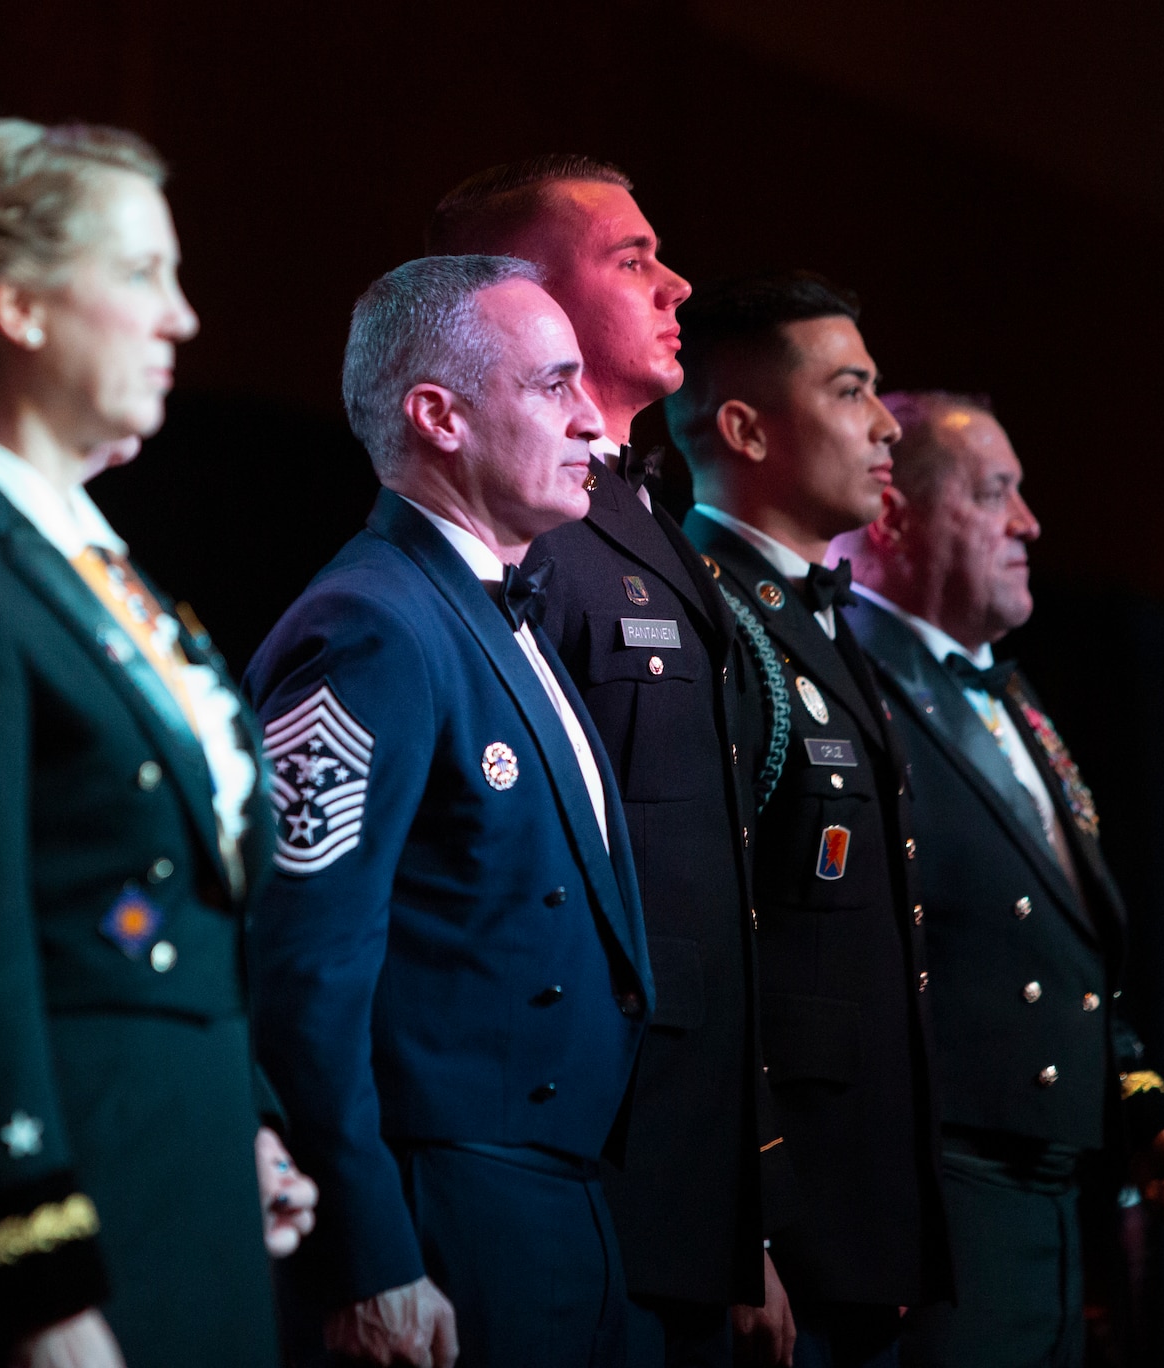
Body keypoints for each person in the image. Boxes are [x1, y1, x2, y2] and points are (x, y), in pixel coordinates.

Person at [0, 118, 314, 1368]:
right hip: (81, 1190)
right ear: (20, 308)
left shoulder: (84, 558)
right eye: (142, 274)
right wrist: (35, 1264)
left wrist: (247, 1119)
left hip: (187, 1161)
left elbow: (184, 898)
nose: (183, 320)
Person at [244, 254, 652, 1368]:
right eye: (552, 386)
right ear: (438, 415)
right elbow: (300, 970)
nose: (594, 426)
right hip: (443, 1209)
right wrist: (366, 1251)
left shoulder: (499, 606)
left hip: (567, 1201)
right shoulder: (369, 623)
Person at [431, 157, 789, 1366]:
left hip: (680, 1178)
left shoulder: (637, 521)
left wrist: (744, 1223)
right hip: (584, 1160)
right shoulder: (525, 534)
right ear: (523, 294)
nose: (675, 282)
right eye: (630, 259)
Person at [831, 392, 1164, 1368]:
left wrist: (1142, 1111)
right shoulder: (843, 679)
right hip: (930, 1201)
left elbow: (1065, 946)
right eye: (995, 493)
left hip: (1058, 1201)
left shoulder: (1007, 691)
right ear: (891, 516)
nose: (1029, 524)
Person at [670, 271, 952, 1367]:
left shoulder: (813, 621)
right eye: (849, 391)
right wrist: (746, 1215)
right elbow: (709, 945)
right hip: (788, 1227)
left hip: (865, 1216)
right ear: (742, 427)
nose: (885, 424)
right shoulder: (707, 615)